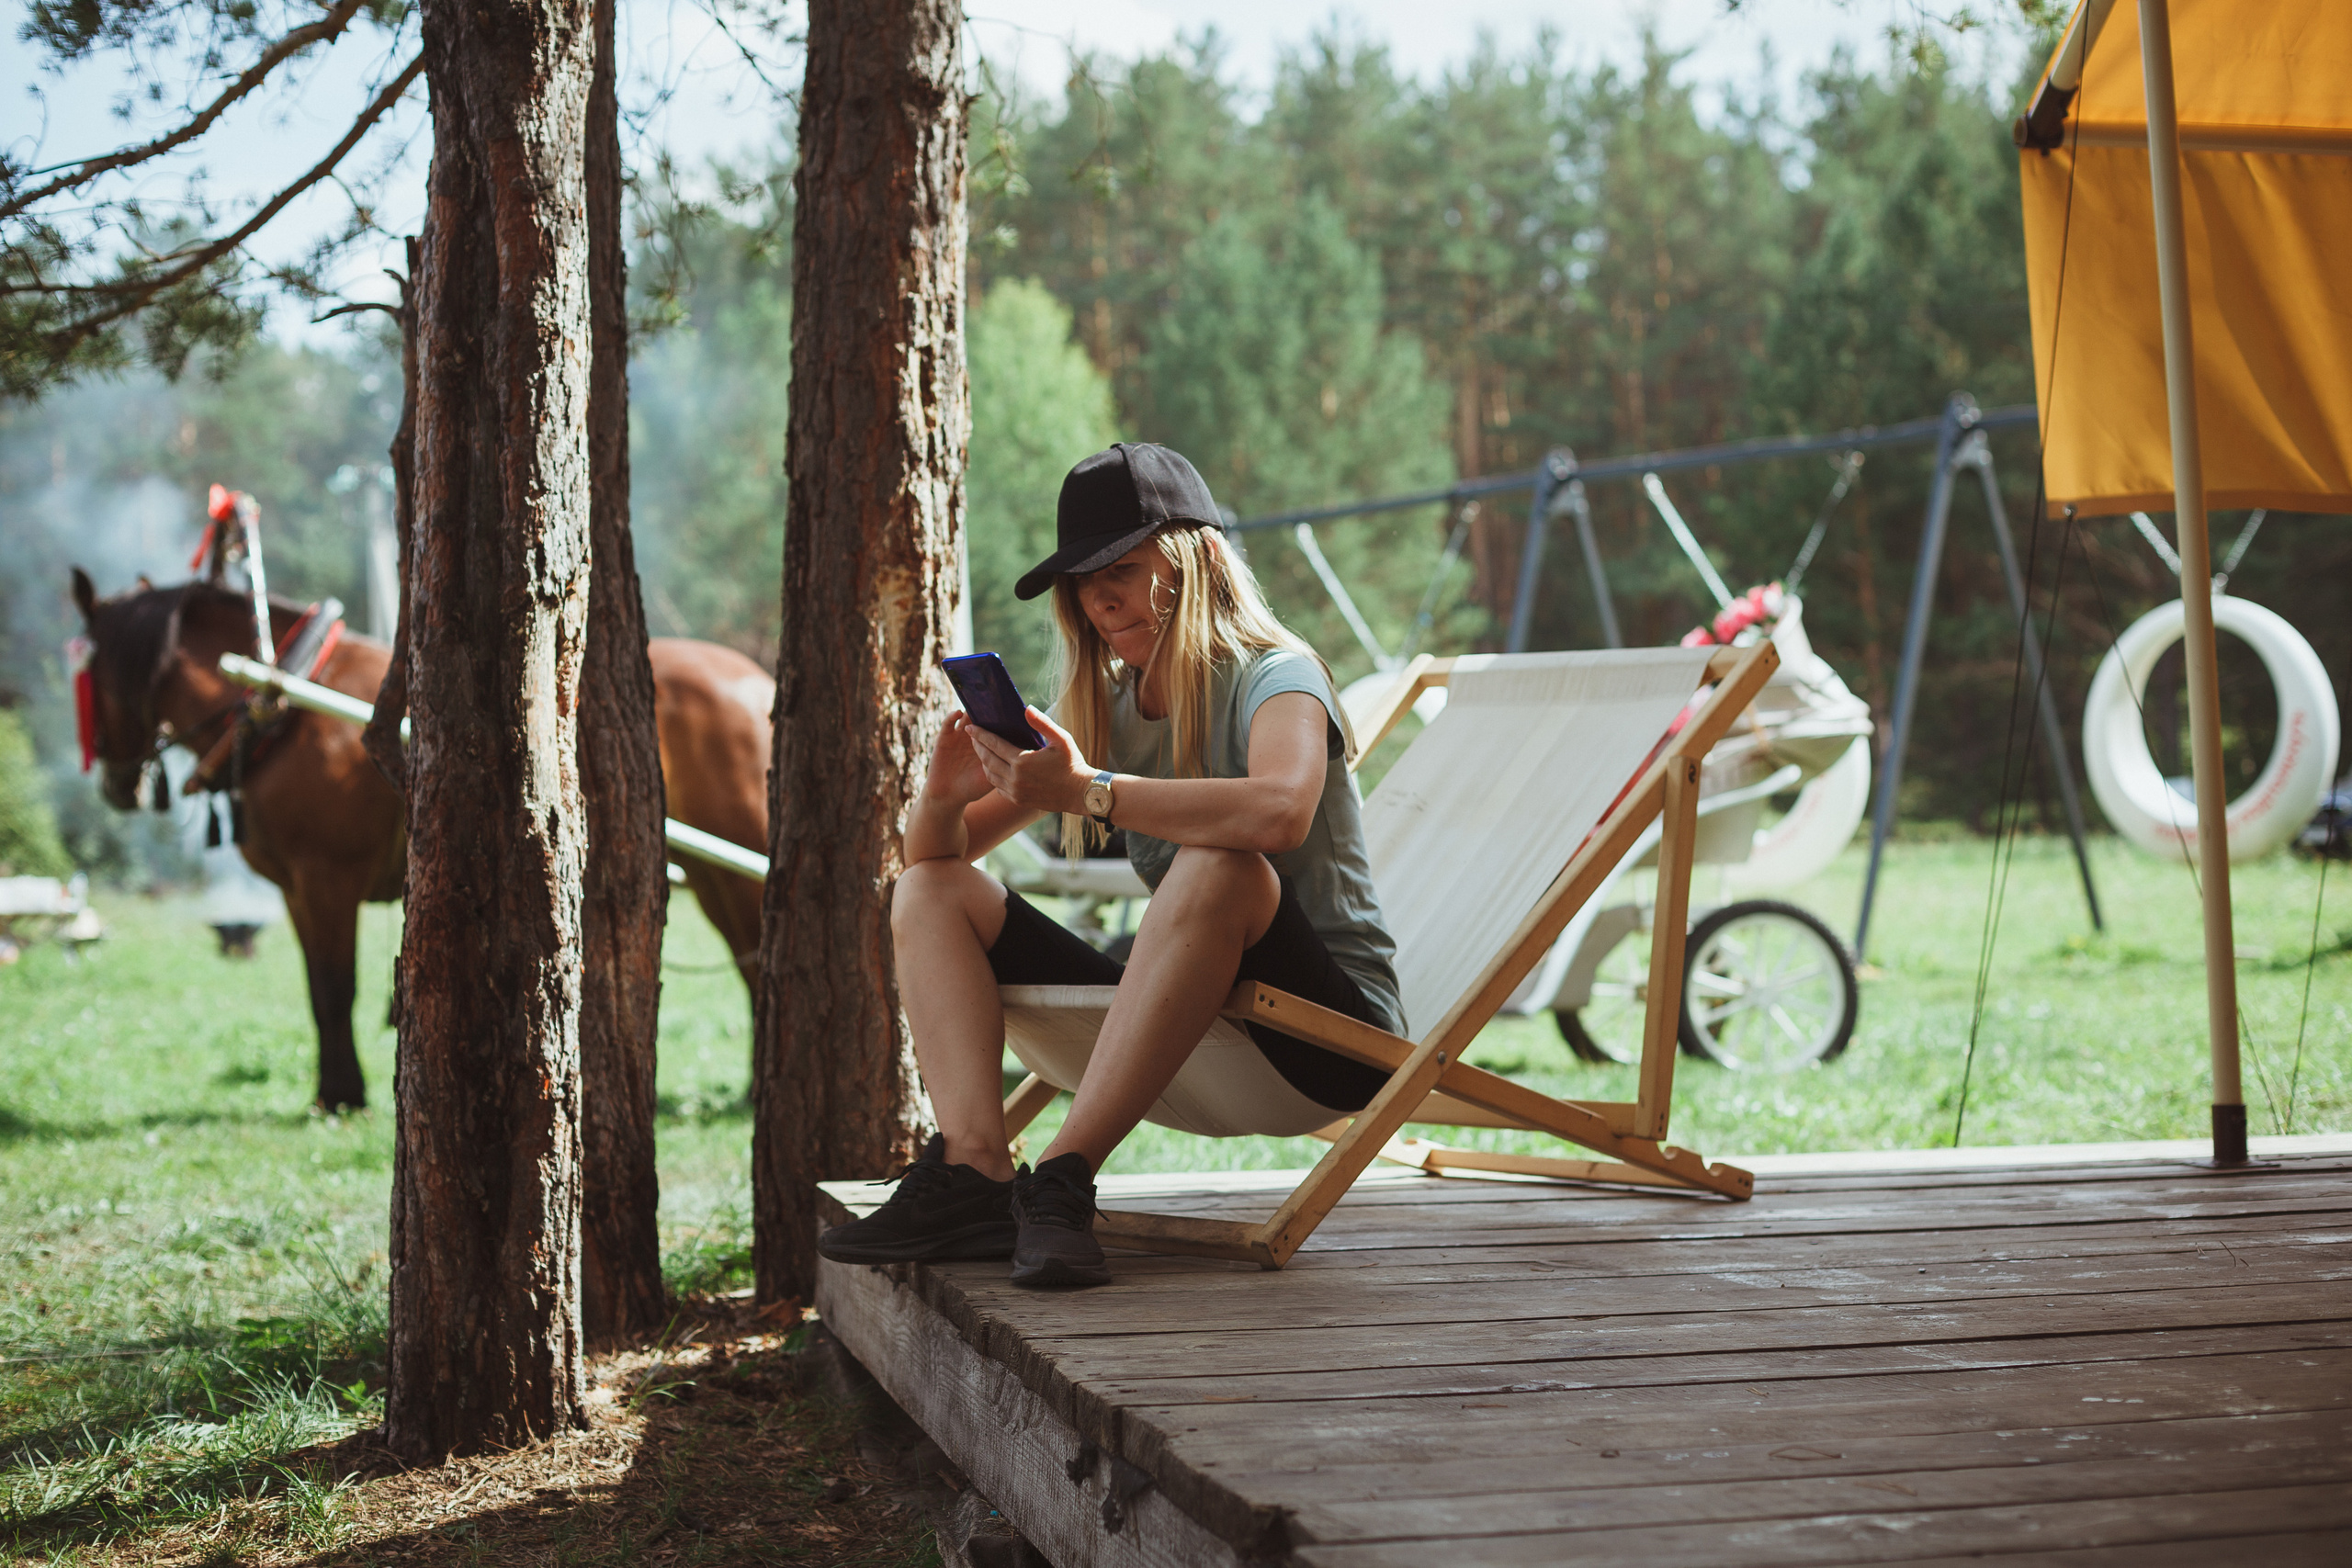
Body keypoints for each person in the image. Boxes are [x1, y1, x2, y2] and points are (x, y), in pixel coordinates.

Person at [818, 443, 1405, 1288]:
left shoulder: (1280, 676)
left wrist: (1090, 790)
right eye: (1082, 583)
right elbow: (932, 865)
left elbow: (1280, 811)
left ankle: (1060, 1178)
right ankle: (976, 1173)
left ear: (1193, 558)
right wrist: (941, 799)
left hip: (1325, 1040)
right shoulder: (1106, 707)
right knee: (930, 889)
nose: (1099, 598)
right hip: (1193, 1020)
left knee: (1218, 865)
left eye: (1120, 568)